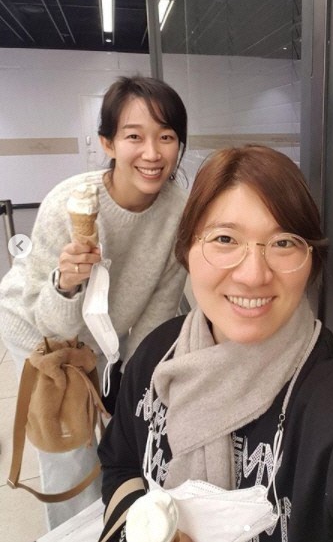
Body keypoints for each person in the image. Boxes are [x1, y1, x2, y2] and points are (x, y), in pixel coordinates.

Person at [97, 145, 333, 542]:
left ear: (311, 260)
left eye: (283, 243)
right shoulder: (158, 354)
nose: (253, 275)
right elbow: (120, 464)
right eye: (225, 239)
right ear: (187, 250)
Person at [0, 75, 189, 528]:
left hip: (102, 332)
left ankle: (108, 524)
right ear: (107, 143)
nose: (152, 153)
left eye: (166, 137)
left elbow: (157, 314)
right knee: (71, 449)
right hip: (38, 327)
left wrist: (131, 385)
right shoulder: (67, 204)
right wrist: (67, 283)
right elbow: (51, 324)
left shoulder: (179, 211)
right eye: (134, 136)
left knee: (116, 433)